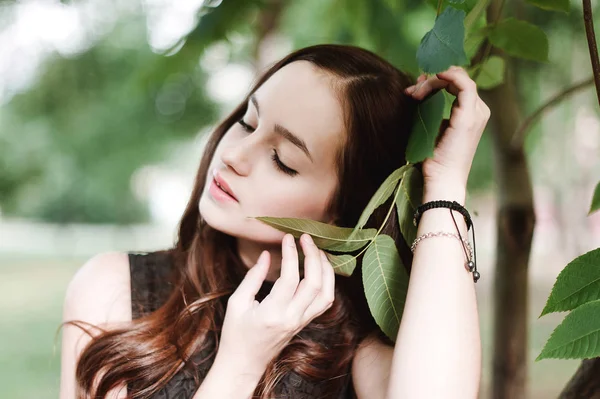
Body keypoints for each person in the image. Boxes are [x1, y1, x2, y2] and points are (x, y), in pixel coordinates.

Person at [59, 44, 490, 399]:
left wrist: (446, 185)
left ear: (344, 209)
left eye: (282, 161)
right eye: (248, 122)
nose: (233, 155)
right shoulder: (117, 291)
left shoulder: (359, 347)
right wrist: (238, 368)